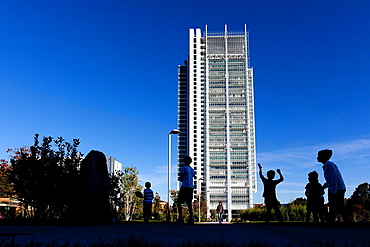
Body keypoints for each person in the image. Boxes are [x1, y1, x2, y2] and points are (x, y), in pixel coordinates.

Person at [317, 149, 347, 222]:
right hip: (334, 188)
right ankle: (332, 221)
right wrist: (323, 187)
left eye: (319, 156)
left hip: (338, 188)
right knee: (333, 206)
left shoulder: (329, 165)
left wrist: (334, 191)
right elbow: (329, 180)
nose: (317, 157)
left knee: (338, 205)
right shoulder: (326, 166)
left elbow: (334, 178)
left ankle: (345, 220)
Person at [176, 156, 195, 224]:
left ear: (184, 161)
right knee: (189, 203)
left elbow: (181, 177)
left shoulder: (184, 168)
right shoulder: (192, 169)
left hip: (184, 186)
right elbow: (193, 176)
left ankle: (180, 217)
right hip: (191, 187)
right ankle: (191, 218)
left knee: (179, 202)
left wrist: (180, 179)